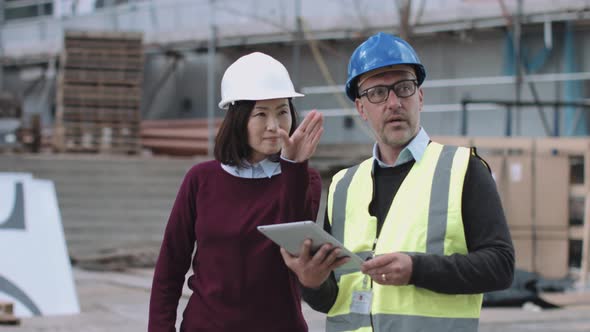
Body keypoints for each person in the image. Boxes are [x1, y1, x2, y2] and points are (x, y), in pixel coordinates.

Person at [281, 32, 515, 331]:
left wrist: (417, 269)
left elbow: (501, 266)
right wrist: (312, 283)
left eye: (403, 88)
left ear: (420, 96)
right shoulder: (343, 186)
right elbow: (333, 300)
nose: (393, 103)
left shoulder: (463, 169)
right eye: (377, 92)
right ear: (361, 108)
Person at [148, 52, 324, 331]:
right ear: (238, 118)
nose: (274, 126)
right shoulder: (200, 180)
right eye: (260, 114)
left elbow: (293, 244)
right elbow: (170, 267)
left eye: (282, 111)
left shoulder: (305, 180)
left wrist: (293, 166)